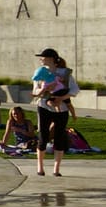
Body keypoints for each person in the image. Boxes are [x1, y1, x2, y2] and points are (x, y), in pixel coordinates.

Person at [32, 48, 75, 176]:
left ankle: (56, 169)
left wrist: (61, 98)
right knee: (43, 135)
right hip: (44, 106)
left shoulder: (64, 73)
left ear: (51, 58)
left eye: (43, 57)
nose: (41, 59)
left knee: (60, 136)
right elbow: (35, 91)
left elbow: (73, 90)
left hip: (61, 108)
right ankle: (40, 167)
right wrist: (45, 92)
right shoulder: (39, 72)